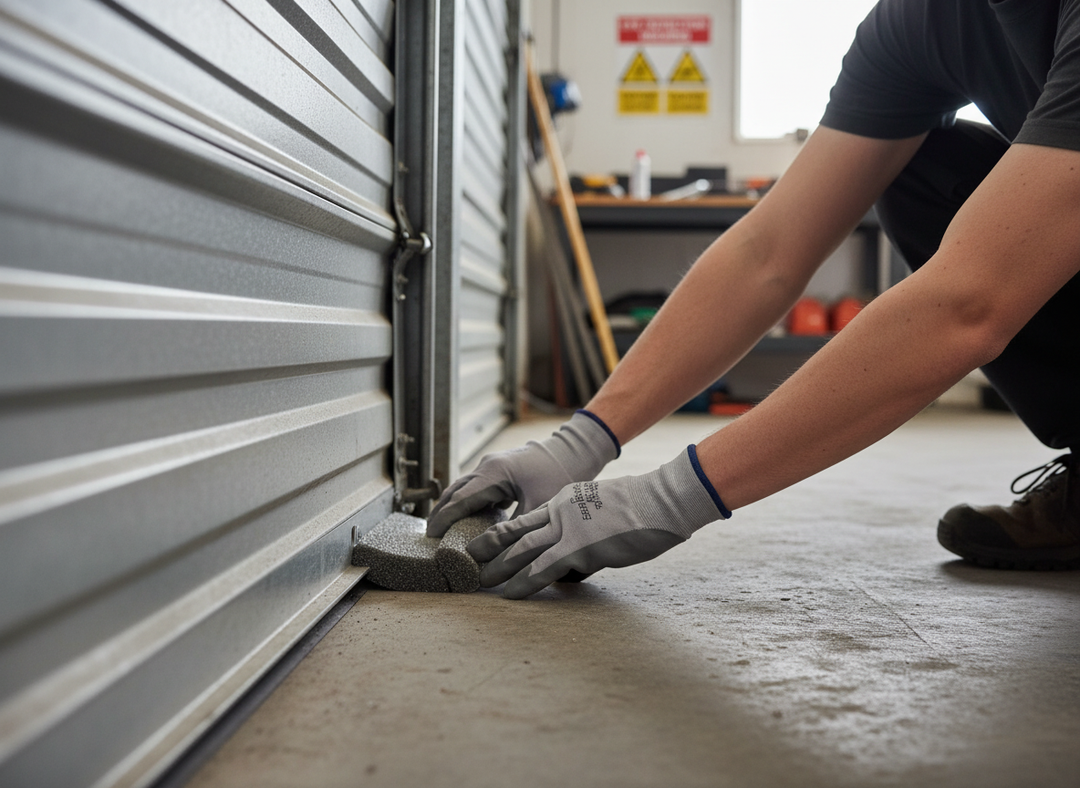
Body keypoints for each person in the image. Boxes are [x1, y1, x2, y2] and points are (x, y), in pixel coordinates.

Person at [428, 0, 1080, 599]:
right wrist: (580, 443)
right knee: (925, 167)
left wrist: (668, 497)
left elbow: (972, 300)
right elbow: (767, 253)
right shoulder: (925, 23)